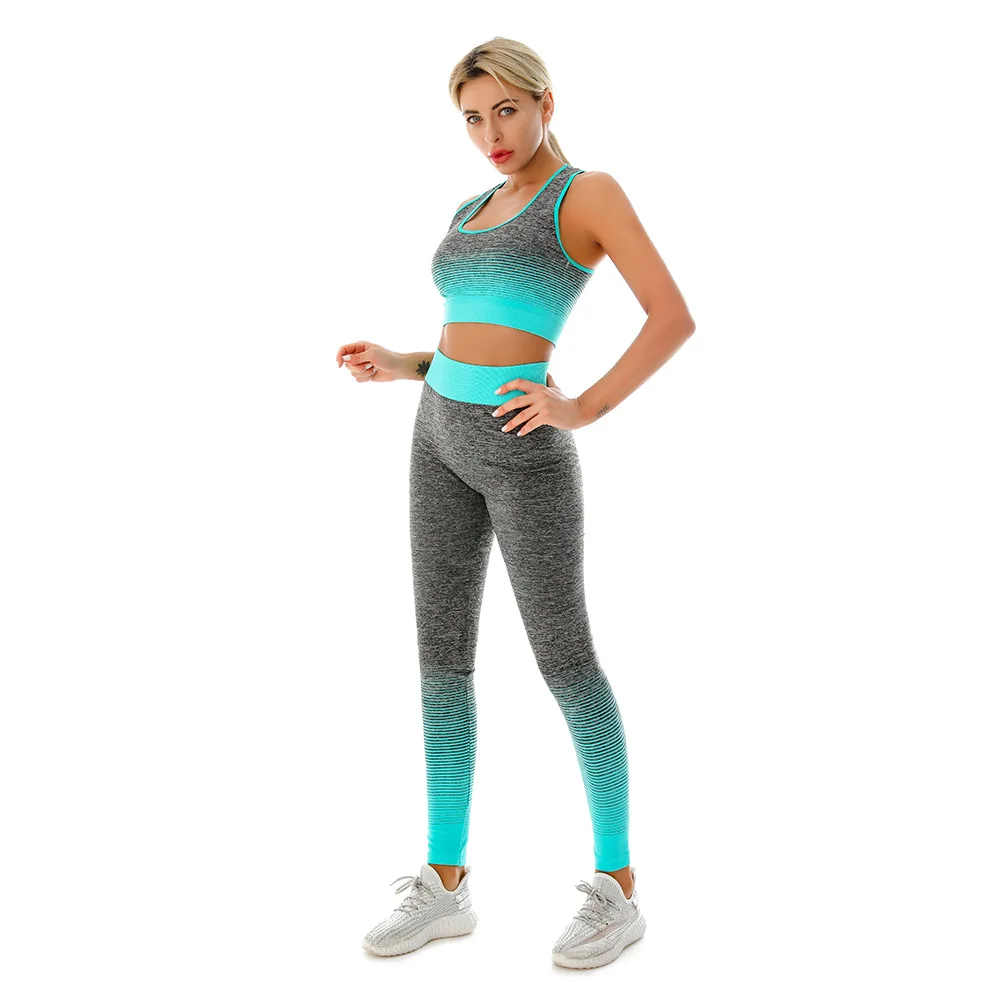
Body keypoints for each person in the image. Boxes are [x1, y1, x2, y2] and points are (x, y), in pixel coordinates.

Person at [340, 36, 695, 969]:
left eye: (505, 110)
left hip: (525, 456)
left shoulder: (586, 195)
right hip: (434, 437)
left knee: (566, 662)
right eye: (472, 117)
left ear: (546, 102)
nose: (490, 133)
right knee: (441, 662)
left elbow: (673, 316)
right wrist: (404, 362)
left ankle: (618, 888)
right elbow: (472, 334)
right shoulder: (470, 207)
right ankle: (444, 882)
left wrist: (581, 407)